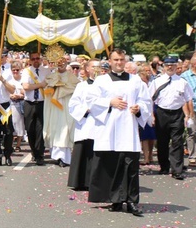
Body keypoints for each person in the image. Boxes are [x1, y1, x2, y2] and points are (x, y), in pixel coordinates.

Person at [88, 49, 151, 217]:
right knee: (112, 164)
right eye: (115, 59)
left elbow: (146, 101)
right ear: (110, 61)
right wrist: (110, 101)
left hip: (128, 128)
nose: (119, 62)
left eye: (121, 59)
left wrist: (139, 108)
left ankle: (131, 201)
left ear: (125, 61)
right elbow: (91, 101)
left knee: (130, 165)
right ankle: (115, 199)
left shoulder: (136, 80)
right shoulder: (101, 81)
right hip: (108, 127)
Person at [150, 56, 194, 179]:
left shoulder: (182, 82)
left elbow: (189, 99)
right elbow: (150, 99)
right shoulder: (157, 81)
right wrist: (151, 115)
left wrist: (188, 115)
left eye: (173, 65)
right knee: (162, 141)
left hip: (177, 113)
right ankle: (164, 166)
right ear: (163, 66)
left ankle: (177, 170)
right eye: (168, 65)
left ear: (176, 67)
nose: (170, 67)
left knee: (177, 142)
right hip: (161, 112)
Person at [67, 59, 105, 190]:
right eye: (94, 67)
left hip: (102, 123)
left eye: (99, 67)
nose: (97, 69)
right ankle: (80, 181)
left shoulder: (106, 85)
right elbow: (73, 104)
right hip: (86, 122)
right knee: (84, 150)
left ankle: (97, 181)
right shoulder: (82, 86)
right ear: (87, 69)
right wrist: (85, 110)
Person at [42, 47, 79, 167]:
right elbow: (46, 90)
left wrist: (62, 89)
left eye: (64, 63)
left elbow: (75, 88)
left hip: (66, 106)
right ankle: (57, 156)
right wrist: (53, 87)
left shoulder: (72, 77)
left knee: (64, 130)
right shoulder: (51, 76)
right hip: (54, 106)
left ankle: (64, 158)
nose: (61, 65)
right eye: (59, 63)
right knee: (54, 129)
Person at [21, 51, 50, 165]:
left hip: (42, 102)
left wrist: (35, 85)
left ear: (41, 59)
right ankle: (34, 150)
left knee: (40, 129)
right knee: (30, 129)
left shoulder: (46, 71)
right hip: (29, 103)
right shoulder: (26, 71)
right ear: (30, 60)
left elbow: (49, 84)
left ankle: (40, 154)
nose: (35, 60)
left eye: (37, 58)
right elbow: (26, 86)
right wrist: (40, 85)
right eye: (33, 59)